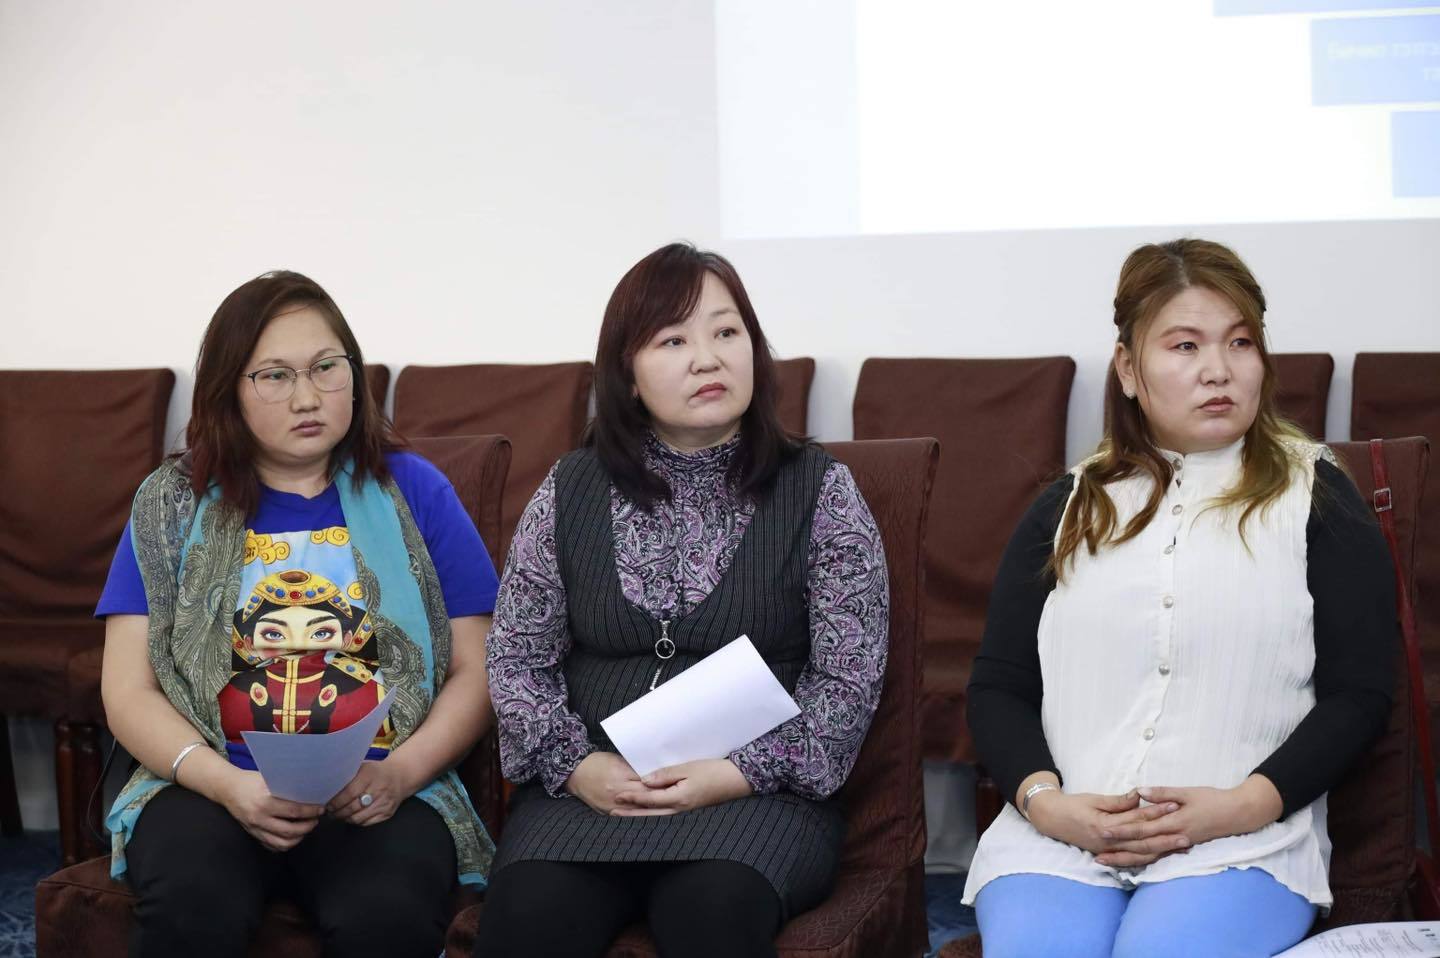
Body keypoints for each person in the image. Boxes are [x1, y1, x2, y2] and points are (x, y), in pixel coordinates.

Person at [962, 239, 1398, 958]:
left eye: (1240, 342)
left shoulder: (1317, 497)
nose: (1218, 369)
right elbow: (999, 686)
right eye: (1185, 345)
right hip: (1060, 841)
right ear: (1128, 369)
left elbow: (1360, 693)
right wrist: (1049, 805)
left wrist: (1244, 804)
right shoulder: (1067, 507)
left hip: (1244, 841)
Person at [472, 242, 890, 958]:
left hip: (758, 799)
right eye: (674, 340)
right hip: (591, 793)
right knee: (527, 920)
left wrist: (738, 774)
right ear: (627, 375)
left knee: (712, 914)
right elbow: (516, 659)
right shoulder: (569, 489)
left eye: (727, 332)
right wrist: (579, 766)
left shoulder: (821, 489)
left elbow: (847, 680)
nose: (707, 358)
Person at [96, 271, 498, 958]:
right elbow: (127, 690)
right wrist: (226, 784)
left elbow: (478, 668)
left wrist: (400, 775)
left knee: (386, 916)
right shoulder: (170, 505)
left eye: (326, 367)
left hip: (379, 784)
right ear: (227, 389)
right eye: (275, 376)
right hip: (210, 781)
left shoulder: (415, 491)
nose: (307, 397)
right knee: (193, 904)